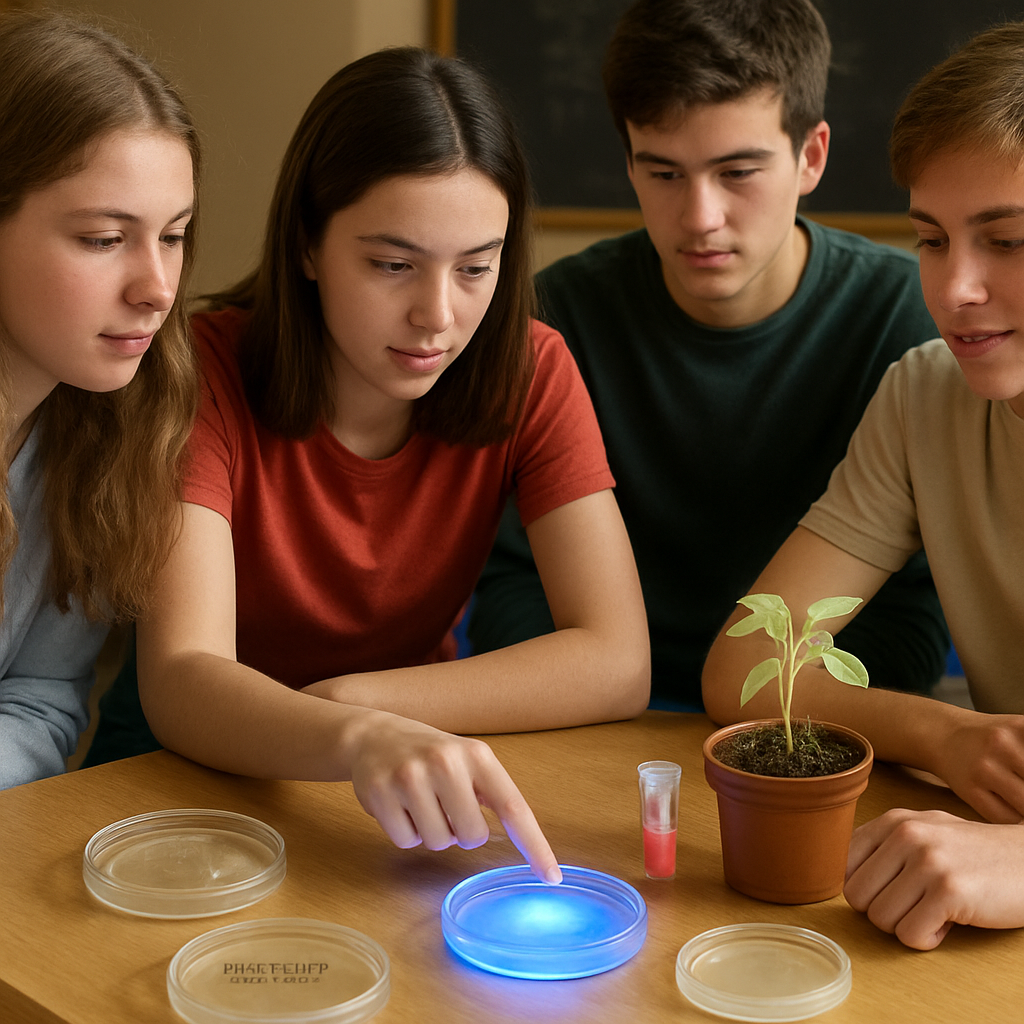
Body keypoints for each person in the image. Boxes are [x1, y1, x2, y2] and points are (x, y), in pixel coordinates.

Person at [135, 47, 649, 882]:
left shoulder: (532, 366)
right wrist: (353, 732)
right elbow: (183, 678)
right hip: (189, 783)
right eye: (392, 264)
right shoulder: (200, 371)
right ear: (307, 244)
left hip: (402, 777)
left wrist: (361, 704)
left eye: (477, 267)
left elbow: (618, 660)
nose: (438, 316)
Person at [468, 0, 949, 709]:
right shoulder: (554, 318)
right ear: (627, 162)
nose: (700, 218)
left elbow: (913, 621)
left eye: (738, 172)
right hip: (596, 718)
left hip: (806, 735)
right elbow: (510, 588)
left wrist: (762, 727)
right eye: (663, 174)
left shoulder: (907, 318)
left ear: (810, 156)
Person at [702, 21, 1024, 949]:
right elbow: (746, 671)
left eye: (1005, 240)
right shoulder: (926, 393)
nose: (954, 286)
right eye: (931, 239)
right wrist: (947, 736)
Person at [0, 11, 199, 788]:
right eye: (102, 239)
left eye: (174, 236)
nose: (156, 290)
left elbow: (41, 695)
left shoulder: (100, 429)